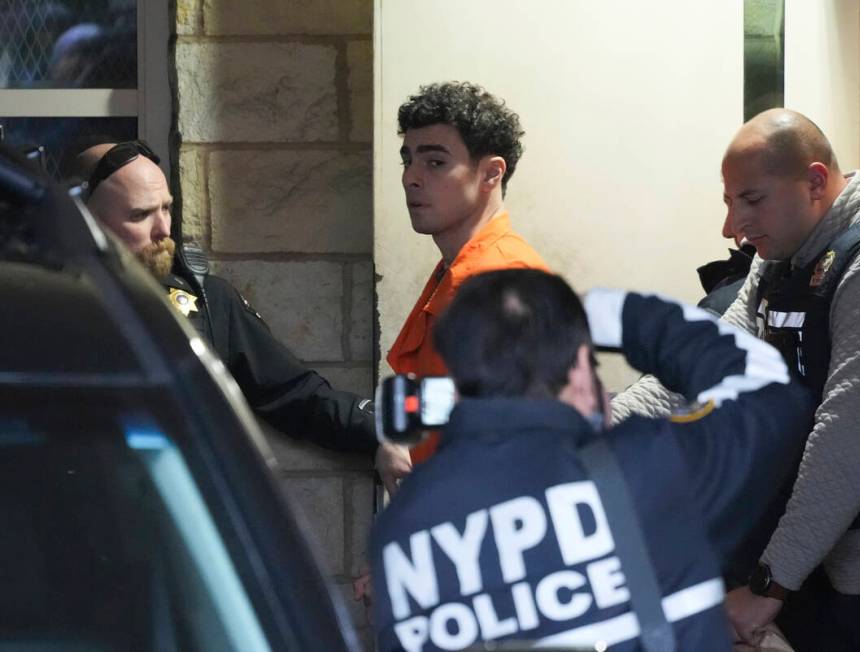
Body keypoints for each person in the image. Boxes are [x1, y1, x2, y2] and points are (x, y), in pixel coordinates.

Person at [369, 268, 814, 651]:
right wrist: (615, 316)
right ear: (581, 373)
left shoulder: (403, 533)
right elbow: (774, 395)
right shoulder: (654, 471)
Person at [616, 109, 860, 650]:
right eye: (730, 203)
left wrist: (768, 583)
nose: (733, 227)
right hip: (798, 560)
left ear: (816, 182)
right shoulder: (781, 255)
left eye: (751, 200)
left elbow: (848, 444)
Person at [71, 140, 394, 474]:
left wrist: (377, 433)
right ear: (82, 217)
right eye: (140, 215)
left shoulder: (205, 300)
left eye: (166, 209)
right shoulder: (42, 305)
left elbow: (291, 393)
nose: (163, 230)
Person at [385, 81, 550, 468]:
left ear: (491, 174)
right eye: (408, 159)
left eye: (435, 162)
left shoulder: (500, 279)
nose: (411, 177)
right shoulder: (459, 269)